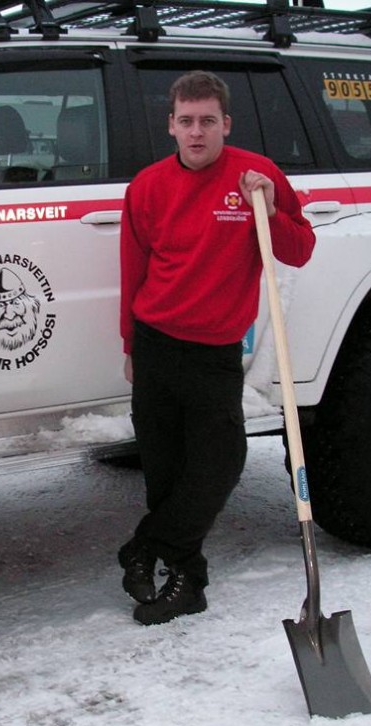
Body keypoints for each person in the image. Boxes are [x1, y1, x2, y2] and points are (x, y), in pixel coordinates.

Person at [118, 70, 315, 626]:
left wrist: (271, 208)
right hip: (156, 344)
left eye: (208, 121)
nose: (197, 132)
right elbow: (133, 269)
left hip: (213, 351)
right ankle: (187, 581)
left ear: (226, 124)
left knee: (221, 463)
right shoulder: (149, 186)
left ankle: (142, 548)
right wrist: (130, 343)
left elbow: (299, 250)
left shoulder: (256, 177)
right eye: (186, 121)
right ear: (171, 126)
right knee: (165, 473)